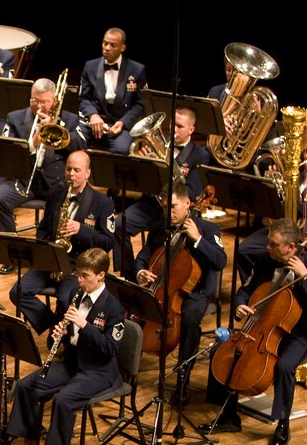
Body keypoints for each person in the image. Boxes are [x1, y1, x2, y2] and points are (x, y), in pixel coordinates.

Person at [200, 219, 307, 445]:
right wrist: (240, 304)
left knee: (284, 367)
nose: (267, 247)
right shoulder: (264, 262)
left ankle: (282, 422)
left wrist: (306, 277)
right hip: (262, 328)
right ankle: (227, 416)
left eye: (273, 244)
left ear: (291, 248)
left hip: (298, 335)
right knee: (223, 350)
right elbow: (246, 290)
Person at [3, 248, 125, 445]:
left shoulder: (114, 308)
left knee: (64, 399)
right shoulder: (75, 296)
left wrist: (84, 325)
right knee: (28, 386)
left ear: (101, 275)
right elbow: (67, 336)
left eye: (85, 276)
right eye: (77, 274)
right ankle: (30, 441)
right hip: (72, 362)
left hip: (98, 370)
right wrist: (60, 333)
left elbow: (110, 348)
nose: (79, 280)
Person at [131, 181, 227, 399]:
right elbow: (142, 258)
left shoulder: (208, 229)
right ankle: (129, 366)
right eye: (165, 207)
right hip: (163, 285)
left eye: (173, 207)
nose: (168, 212)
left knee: (191, 317)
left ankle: (183, 374)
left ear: (187, 203)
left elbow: (220, 261)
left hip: (196, 290)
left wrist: (198, 239)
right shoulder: (159, 226)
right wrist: (140, 273)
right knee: (135, 302)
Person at [10, 150, 115, 333]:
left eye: (76, 170)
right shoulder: (55, 194)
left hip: (76, 266)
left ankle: (62, 336)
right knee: (17, 291)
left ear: (87, 173)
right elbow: (43, 229)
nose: (71, 175)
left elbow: (107, 243)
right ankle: (51, 324)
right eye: (68, 170)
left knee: (66, 300)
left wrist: (81, 230)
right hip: (50, 260)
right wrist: (46, 249)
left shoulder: (102, 203)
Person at [0, 77, 86, 235]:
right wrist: (33, 142)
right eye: (34, 100)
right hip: (23, 181)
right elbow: (7, 152)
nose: (39, 106)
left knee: (66, 207)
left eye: (44, 102)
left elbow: (81, 147)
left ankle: (48, 245)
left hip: (56, 183)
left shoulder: (70, 119)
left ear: (54, 100)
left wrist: (57, 129)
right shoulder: (15, 118)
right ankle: (11, 249)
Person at [114, 106, 212, 261]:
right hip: (151, 203)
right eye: (173, 125)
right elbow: (141, 182)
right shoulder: (159, 143)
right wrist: (143, 164)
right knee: (119, 225)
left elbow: (192, 192)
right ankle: (130, 274)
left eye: (180, 127)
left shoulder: (200, 155)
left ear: (191, 129)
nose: (175, 130)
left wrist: (167, 168)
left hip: (174, 210)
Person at [236, 145, 307, 281]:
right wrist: (272, 185)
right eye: (305, 151)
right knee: (243, 250)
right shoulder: (297, 172)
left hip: (303, 235)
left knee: (268, 255)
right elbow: (279, 203)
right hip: (282, 229)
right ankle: (254, 289)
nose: (306, 156)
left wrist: (292, 201)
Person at [77, 28, 147, 155]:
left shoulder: (137, 70)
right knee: (74, 141)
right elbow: (83, 98)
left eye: (113, 45)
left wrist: (123, 123)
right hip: (95, 120)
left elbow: (140, 104)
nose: (107, 48)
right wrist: (93, 115)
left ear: (122, 48)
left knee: (122, 150)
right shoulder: (90, 66)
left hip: (120, 121)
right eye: (105, 43)